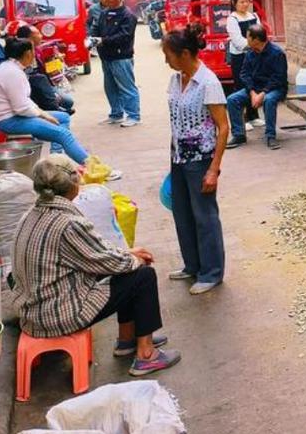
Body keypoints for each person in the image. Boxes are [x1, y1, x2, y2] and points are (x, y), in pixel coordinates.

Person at [10, 155, 179, 375]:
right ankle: (146, 354)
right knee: (142, 275)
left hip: (32, 312)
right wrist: (133, 258)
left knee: (126, 267)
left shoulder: (29, 215)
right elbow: (108, 261)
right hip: (56, 315)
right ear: (73, 184)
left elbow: (96, 255)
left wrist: (126, 254)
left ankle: (127, 341)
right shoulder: (68, 223)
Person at [162, 23, 229, 295]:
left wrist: (214, 169)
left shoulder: (209, 82)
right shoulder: (176, 79)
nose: (166, 60)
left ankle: (211, 272)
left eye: (169, 55)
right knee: (182, 213)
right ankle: (192, 265)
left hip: (201, 158)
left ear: (185, 53)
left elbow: (223, 127)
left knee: (204, 216)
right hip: (178, 156)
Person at [0, 38, 102, 170]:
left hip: (14, 116)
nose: (35, 53)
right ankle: (94, 168)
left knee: (63, 117)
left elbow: (24, 101)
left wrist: (42, 113)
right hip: (9, 121)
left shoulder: (11, 68)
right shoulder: (12, 73)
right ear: (28, 53)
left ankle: (56, 159)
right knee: (64, 134)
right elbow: (21, 108)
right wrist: (44, 116)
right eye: (34, 50)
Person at [226, 25, 288, 150]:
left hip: (275, 89)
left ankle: (270, 136)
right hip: (255, 88)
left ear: (256, 39)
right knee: (232, 99)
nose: (246, 39)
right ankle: (239, 135)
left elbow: (278, 78)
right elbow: (244, 74)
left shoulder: (277, 53)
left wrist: (263, 93)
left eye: (248, 37)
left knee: (269, 100)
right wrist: (252, 92)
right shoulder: (250, 53)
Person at [94, 0, 140, 127]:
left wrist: (103, 40)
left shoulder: (128, 16)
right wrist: (92, 37)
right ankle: (116, 114)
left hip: (121, 57)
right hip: (106, 56)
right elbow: (96, 28)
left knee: (127, 87)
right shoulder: (104, 13)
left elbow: (124, 36)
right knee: (110, 87)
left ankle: (133, 115)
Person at [15, 25, 75, 115]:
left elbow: (48, 68)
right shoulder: (20, 53)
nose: (41, 36)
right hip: (32, 86)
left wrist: (55, 61)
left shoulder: (38, 50)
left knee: (68, 101)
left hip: (45, 83)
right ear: (28, 37)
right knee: (66, 101)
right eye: (38, 33)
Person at [224, 0, 259, 127]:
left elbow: (260, 33)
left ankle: (253, 116)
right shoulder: (232, 19)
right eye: (241, 2)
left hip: (254, 56)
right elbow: (238, 41)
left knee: (254, 84)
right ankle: (242, 119)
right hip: (240, 57)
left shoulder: (253, 16)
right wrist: (255, 45)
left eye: (247, 1)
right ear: (234, 3)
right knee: (241, 86)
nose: (245, 4)